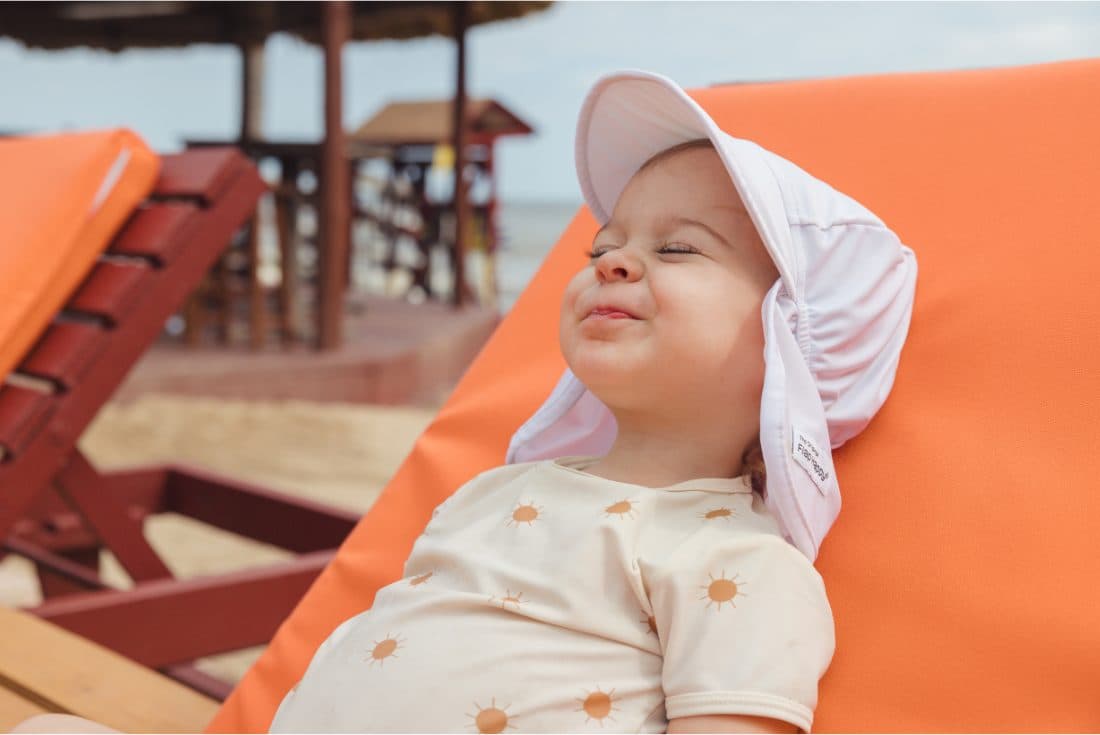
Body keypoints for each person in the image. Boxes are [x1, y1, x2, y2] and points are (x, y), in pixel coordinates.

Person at [10, 69, 917, 735]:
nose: (612, 259)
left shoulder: (735, 559)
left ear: (792, 344)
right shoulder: (497, 490)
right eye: (604, 241)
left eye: (678, 250)